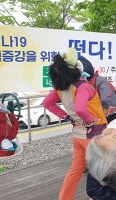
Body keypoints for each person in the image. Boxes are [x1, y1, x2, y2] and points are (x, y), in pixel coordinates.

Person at [42, 47, 107, 200]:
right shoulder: (83, 87)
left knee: (75, 170)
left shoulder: (61, 88)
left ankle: (65, 198)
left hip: (77, 135)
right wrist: (90, 121)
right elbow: (80, 108)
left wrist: (66, 117)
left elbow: (47, 103)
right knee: (100, 170)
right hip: (94, 135)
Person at [79, 57, 116, 123]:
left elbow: (105, 98)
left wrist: (104, 108)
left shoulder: (100, 80)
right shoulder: (91, 82)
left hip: (112, 112)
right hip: (105, 112)